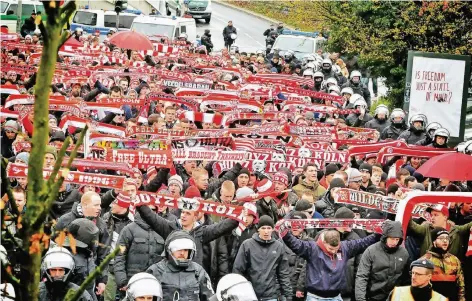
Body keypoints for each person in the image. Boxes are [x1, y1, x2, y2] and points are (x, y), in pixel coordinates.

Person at [281, 226, 380, 301]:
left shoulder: (345, 248)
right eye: (330, 249)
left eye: (336, 249)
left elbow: (363, 243)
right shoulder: (312, 248)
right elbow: (295, 244)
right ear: (323, 242)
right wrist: (284, 232)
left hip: (336, 296)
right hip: (315, 297)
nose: (334, 251)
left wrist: (378, 234)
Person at [233, 215, 292, 301]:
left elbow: (283, 273)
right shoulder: (247, 245)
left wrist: (288, 294)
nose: (266, 231)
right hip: (250, 294)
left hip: (271, 295)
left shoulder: (278, 246)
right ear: (258, 229)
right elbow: (238, 270)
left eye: (269, 228)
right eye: (263, 228)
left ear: (272, 229)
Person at [146, 230, 214, 301]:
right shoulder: (155, 271)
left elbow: (209, 298)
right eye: (178, 249)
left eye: (185, 250)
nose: (182, 253)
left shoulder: (198, 271)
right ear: (169, 250)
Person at [355, 221, 410, 301]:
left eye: (397, 239)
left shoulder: (404, 253)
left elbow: (407, 279)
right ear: (385, 237)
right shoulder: (371, 251)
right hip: (374, 297)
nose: (394, 242)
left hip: (395, 297)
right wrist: (361, 299)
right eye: (392, 239)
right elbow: (362, 277)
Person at [419, 228, 465, 301]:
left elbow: (460, 285)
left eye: (447, 238)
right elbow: (419, 288)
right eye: (441, 238)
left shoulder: (455, 260)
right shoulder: (424, 261)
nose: (445, 240)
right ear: (434, 241)